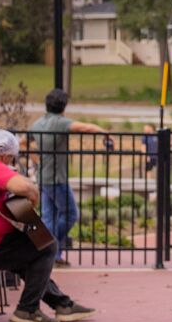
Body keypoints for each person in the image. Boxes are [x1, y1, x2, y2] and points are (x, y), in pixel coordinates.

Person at [0, 130, 94, 322]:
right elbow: (26, 188)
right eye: (11, 158)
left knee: (28, 251)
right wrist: (33, 200)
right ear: (5, 155)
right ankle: (27, 310)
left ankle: (62, 304)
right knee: (46, 245)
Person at [25, 89, 112, 267]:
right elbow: (86, 127)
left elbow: (23, 143)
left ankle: (50, 254)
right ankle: (51, 246)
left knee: (49, 217)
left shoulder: (38, 123)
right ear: (64, 106)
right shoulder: (60, 122)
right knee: (71, 214)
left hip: (43, 176)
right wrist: (105, 133)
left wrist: (37, 159)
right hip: (57, 178)